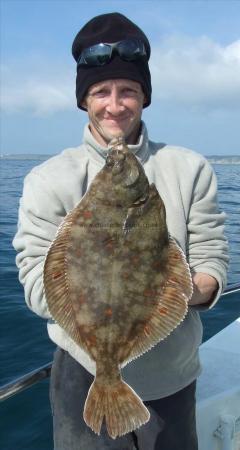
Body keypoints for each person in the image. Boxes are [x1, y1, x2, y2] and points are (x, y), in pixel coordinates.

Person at [13, 12, 229, 450]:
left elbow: (212, 260)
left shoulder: (190, 168)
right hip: (82, 375)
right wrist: (96, 291)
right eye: (100, 92)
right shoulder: (48, 179)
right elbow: (36, 282)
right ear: (84, 100)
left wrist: (173, 291)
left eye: (128, 90)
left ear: (144, 97)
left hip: (172, 375)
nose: (115, 105)